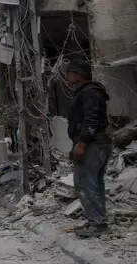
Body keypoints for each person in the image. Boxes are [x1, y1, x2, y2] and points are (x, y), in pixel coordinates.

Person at [66, 60, 111, 238]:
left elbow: (90, 120)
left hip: (92, 144)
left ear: (78, 74)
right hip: (98, 144)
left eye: (69, 73)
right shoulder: (90, 92)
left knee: (85, 183)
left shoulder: (89, 93)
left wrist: (82, 143)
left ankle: (98, 224)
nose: (67, 76)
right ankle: (97, 220)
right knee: (95, 183)